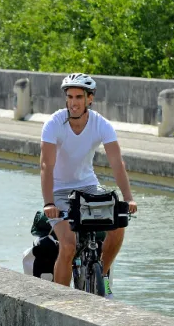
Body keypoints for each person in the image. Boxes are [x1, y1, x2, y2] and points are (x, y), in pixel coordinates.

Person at [41, 73, 137, 297]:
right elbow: (46, 165)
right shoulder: (54, 123)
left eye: (79, 97)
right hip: (59, 191)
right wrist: (49, 202)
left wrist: (128, 197)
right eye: (70, 97)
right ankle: (62, 301)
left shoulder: (100, 124)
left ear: (90, 99)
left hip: (89, 187)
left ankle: (101, 275)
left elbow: (117, 162)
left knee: (118, 225)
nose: (73, 102)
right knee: (68, 244)